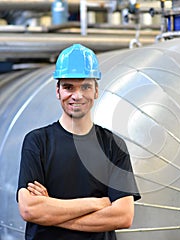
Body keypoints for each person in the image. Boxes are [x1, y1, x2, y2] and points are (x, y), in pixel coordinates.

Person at [16, 43, 141, 240]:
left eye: (85, 86)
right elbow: (30, 210)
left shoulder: (113, 145)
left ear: (96, 91)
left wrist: (51, 211)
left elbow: (123, 216)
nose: (77, 95)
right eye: (68, 87)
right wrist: (97, 203)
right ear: (58, 91)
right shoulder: (37, 142)